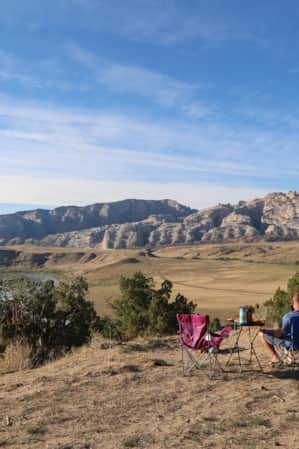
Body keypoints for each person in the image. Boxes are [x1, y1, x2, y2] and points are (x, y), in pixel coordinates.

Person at [259, 293, 299, 367]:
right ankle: (289, 355)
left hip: (293, 345)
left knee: (262, 334)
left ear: (293, 304)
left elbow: (279, 334)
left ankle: (276, 358)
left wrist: (267, 330)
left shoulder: (288, 317)